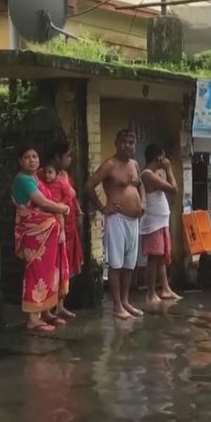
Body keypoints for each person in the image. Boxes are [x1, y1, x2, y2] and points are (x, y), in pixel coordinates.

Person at [85, 129, 146, 320]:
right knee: (116, 264)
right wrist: (102, 207)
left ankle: (126, 301)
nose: (128, 146)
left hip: (134, 221)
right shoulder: (110, 165)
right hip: (117, 219)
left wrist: (143, 203)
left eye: (131, 142)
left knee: (129, 264)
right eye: (125, 142)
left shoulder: (135, 164)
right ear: (117, 143)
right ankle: (117, 305)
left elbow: (140, 185)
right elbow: (88, 186)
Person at [12, 146, 70, 332]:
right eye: (27, 157)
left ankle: (46, 312)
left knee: (50, 272)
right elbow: (42, 202)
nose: (32, 160)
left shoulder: (36, 177)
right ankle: (33, 319)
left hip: (48, 235)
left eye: (35, 156)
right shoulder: (23, 180)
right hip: (34, 234)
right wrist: (63, 209)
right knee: (36, 272)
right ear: (20, 161)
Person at [40, 140, 85, 319]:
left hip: (69, 222)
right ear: (58, 157)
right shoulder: (47, 175)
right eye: (67, 156)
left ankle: (60, 305)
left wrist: (79, 211)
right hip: (56, 223)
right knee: (53, 266)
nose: (70, 159)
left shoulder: (65, 175)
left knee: (65, 266)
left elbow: (72, 196)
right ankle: (47, 309)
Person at [139, 143, 182, 305]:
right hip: (153, 222)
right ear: (158, 157)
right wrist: (169, 170)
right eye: (163, 157)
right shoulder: (148, 175)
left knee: (162, 257)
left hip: (161, 220)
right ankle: (150, 293)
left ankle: (165, 288)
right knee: (154, 257)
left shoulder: (154, 174)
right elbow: (174, 189)